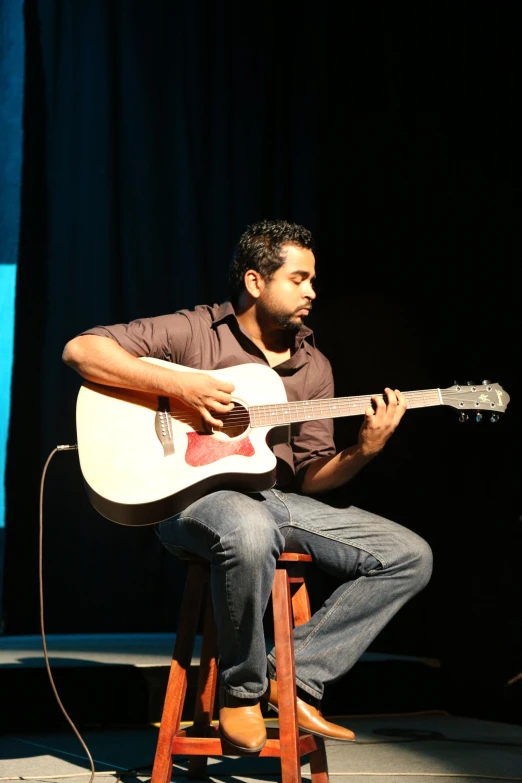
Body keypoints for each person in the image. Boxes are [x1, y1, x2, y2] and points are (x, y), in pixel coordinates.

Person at [62, 219, 433, 753]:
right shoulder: (195, 331)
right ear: (257, 282)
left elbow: (311, 475)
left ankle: (295, 675)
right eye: (299, 278)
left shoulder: (313, 365)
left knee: (408, 554)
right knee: (249, 526)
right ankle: (242, 691)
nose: (312, 291)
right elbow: (82, 351)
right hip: (192, 504)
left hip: (277, 501)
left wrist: (363, 451)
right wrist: (182, 384)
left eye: (312, 280)